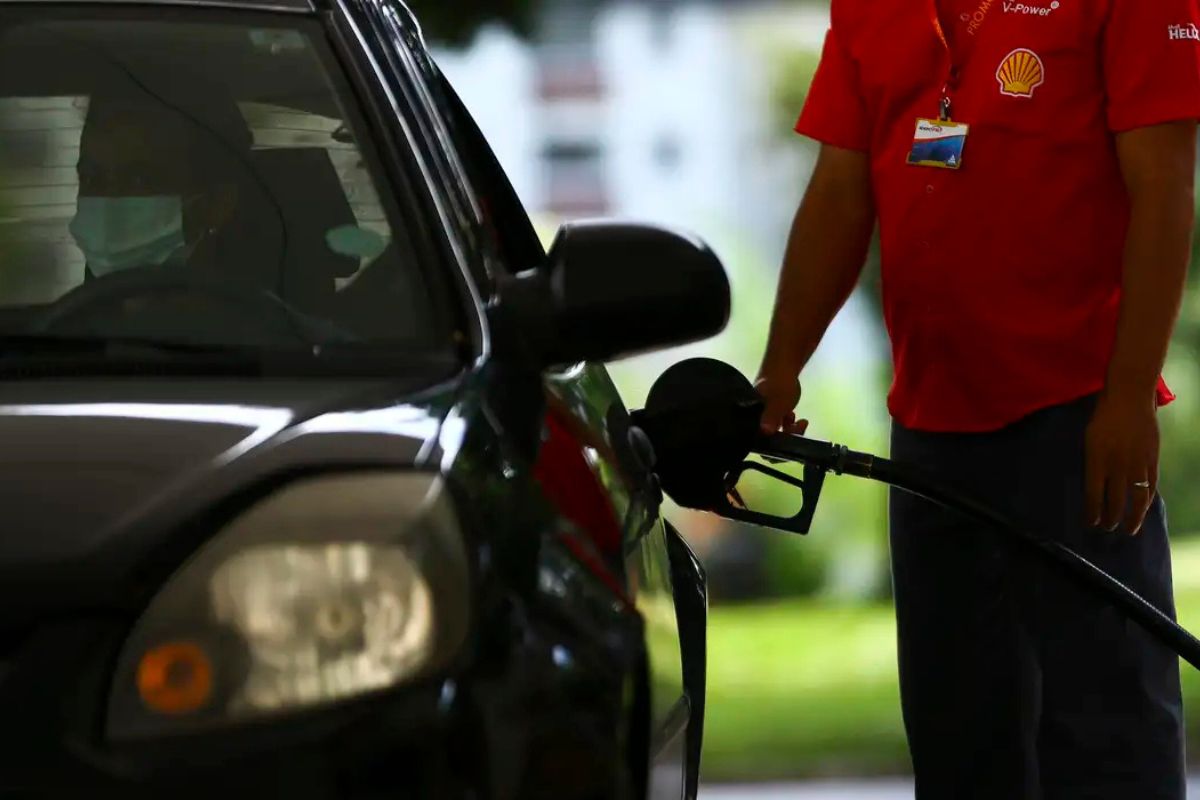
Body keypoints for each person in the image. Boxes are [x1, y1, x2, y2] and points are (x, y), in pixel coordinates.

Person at [756, 1, 1200, 797]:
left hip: (1078, 420)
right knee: (957, 736)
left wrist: (1130, 397)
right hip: (930, 432)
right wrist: (780, 369)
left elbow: (1164, 186)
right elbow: (840, 189)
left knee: (1109, 735)